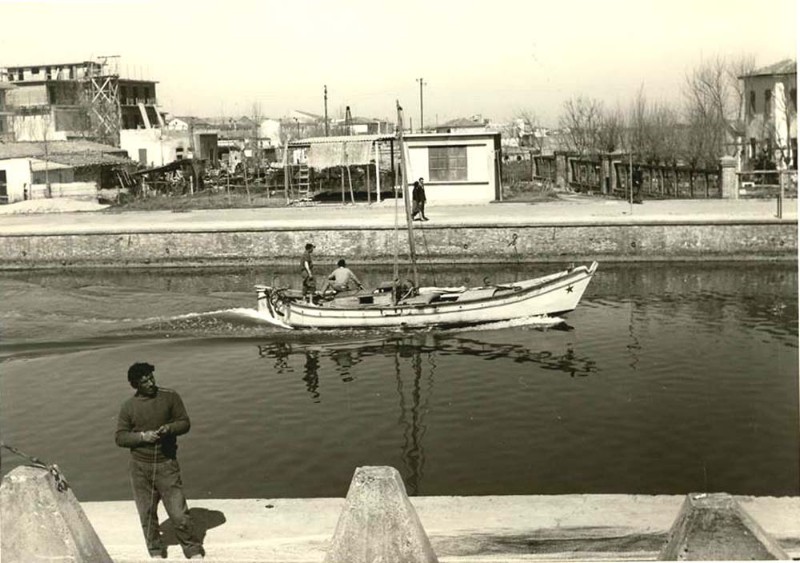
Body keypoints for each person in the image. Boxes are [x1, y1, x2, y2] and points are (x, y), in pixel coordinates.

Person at [115, 362, 205, 560]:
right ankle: (155, 551)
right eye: (144, 381)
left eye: (151, 378)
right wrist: (143, 437)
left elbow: (184, 423)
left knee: (178, 513)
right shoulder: (128, 407)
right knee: (147, 514)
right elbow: (120, 437)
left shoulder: (170, 397)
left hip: (166, 465)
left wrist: (169, 429)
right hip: (139, 468)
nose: (150, 383)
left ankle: (192, 549)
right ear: (135, 385)